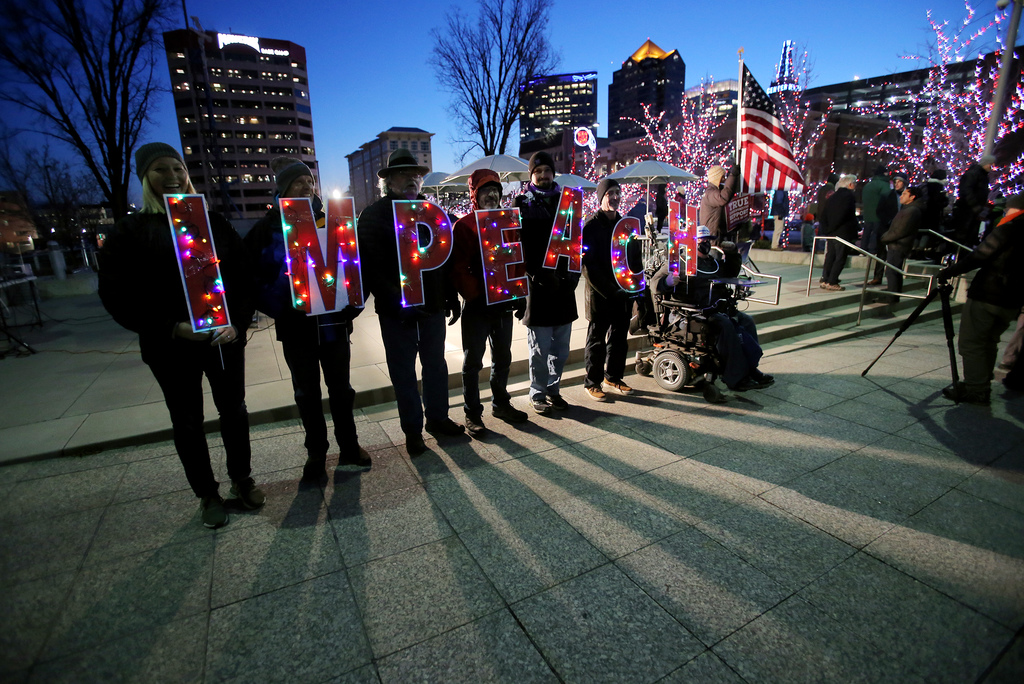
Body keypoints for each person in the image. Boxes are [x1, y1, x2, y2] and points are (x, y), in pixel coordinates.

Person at [99, 142, 263, 529]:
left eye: (178, 168)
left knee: (234, 412)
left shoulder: (211, 222)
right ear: (145, 179)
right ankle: (207, 493)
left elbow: (243, 275)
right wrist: (169, 327)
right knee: (187, 421)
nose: (172, 177)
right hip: (170, 345)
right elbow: (116, 294)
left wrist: (237, 322)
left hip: (222, 339)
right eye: (160, 170)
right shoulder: (130, 231)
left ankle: (243, 479)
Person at [244, 157, 370, 481]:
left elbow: (357, 266)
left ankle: (350, 446)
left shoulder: (331, 221)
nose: (307, 185)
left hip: (333, 326)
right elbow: (251, 279)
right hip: (297, 328)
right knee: (306, 393)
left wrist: (352, 305)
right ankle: (316, 454)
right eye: (298, 181)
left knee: (342, 389)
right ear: (283, 188)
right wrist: (285, 304)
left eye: (309, 180)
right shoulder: (268, 228)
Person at [357, 149, 464, 455]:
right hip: (397, 312)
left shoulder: (429, 212)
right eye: (404, 174)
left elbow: (442, 262)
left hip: (430, 308)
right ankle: (412, 430)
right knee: (403, 371)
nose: (412, 179)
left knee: (435, 366)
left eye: (416, 174)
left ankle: (438, 418)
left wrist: (450, 295)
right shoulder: (375, 215)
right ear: (389, 181)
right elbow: (371, 267)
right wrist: (397, 300)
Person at [449, 169, 529, 436]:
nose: (492, 195)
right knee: (473, 362)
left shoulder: (508, 221)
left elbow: (517, 258)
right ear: (475, 195)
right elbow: (458, 268)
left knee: (503, 358)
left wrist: (518, 293)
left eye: (495, 190)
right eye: (485, 190)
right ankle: (472, 414)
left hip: (503, 305)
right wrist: (476, 295)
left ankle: (501, 403)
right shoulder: (464, 226)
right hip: (478, 307)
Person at [651, 226, 773, 392]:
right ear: (693, 242)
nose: (706, 243)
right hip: (694, 311)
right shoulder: (679, 261)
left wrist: (731, 254)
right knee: (726, 326)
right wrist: (668, 282)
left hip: (717, 306)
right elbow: (654, 284)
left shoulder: (712, 261)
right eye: (702, 240)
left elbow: (731, 272)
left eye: (708, 240)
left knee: (747, 321)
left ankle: (750, 368)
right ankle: (736, 378)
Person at [938, 193, 1024, 406]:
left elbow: (981, 255)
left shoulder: (1010, 228)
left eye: (1007, 209)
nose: (1004, 212)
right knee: (990, 341)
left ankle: (976, 389)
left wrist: (950, 271)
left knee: (972, 342)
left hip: (990, 294)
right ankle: (980, 382)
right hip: (1011, 300)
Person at [515, 151, 580, 414]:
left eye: (547, 171)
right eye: (538, 171)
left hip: (564, 288)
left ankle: (554, 389)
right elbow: (519, 247)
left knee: (561, 349)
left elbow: (575, 242)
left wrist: (572, 276)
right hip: (539, 288)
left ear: (554, 174)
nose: (543, 175)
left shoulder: (568, 203)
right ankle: (537, 391)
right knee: (539, 348)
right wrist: (536, 276)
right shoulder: (522, 204)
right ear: (531, 175)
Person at [581, 178, 636, 401]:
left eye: (617, 193)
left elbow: (632, 257)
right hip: (600, 294)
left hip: (622, 292)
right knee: (596, 340)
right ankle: (591, 382)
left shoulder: (624, 224)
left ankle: (613, 377)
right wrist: (609, 289)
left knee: (619, 338)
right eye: (609, 193)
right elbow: (588, 266)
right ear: (601, 197)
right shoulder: (591, 225)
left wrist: (632, 287)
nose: (614, 197)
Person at [877, 185, 925, 304]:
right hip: (897, 244)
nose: (901, 196)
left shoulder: (911, 210)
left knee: (892, 271)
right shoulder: (909, 209)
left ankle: (892, 296)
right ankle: (893, 295)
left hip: (898, 245)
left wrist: (884, 238)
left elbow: (900, 230)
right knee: (894, 271)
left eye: (904, 194)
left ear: (912, 197)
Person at [819, 174, 859, 291]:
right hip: (842, 232)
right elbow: (847, 215)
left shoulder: (832, 197)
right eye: (855, 183)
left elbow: (823, 215)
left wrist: (827, 229)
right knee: (840, 257)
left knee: (830, 255)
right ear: (850, 184)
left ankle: (826, 278)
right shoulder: (849, 197)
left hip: (831, 232)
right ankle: (832, 281)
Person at [949, 155, 995, 247]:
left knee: (969, 235)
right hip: (967, 209)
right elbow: (966, 190)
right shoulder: (974, 174)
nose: (992, 166)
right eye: (991, 163)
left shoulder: (982, 175)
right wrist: (974, 205)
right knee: (962, 235)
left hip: (973, 210)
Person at [862, 166, 892, 285]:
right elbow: (887, 199)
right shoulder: (884, 185)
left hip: (868, 216)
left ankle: (864, 249)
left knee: (867, 233)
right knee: (877, 238)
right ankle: (873, 249)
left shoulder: (868, 185)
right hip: (879, 217)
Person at [699, 163, 739, 244]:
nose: (725, 180)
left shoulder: (713, 192)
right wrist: (732, 176)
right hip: (713, 239)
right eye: (723, 177)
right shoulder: (710, 193)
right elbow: (723, 197)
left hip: (716, 237)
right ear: (717, 178)